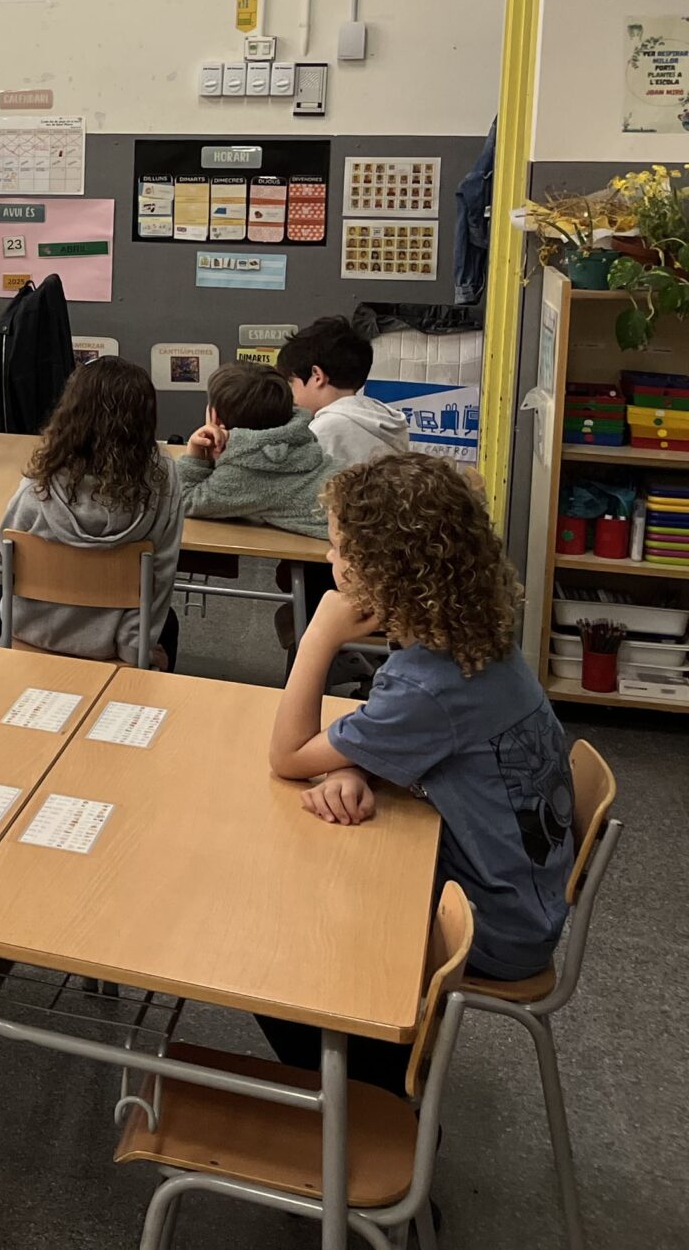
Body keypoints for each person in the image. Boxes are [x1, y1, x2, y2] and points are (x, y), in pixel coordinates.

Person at [263, 452, 576, 1089]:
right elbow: (419, 742)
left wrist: (320, 635)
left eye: (337, 549)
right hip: (523, 900)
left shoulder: (428, 686)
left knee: (272, 949)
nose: (330, 562)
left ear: (383, 573)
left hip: (493, 929)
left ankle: (374, 1096)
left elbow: (288, 755)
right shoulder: (475, 642)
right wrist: (359, 766)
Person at [0, 357, 183, 665]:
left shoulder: (42, 475)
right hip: (114, 641)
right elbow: (161, 573)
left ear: (71, 410)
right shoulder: (163, 479)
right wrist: (134, 650)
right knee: (169, 622)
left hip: (31, 631)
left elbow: (8, 551)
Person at [180, 360, 332, 537]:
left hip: (351, 549)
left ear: (215, 417)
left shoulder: (243, 471)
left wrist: (194, 454)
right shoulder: (296, 439)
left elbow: (184, 500)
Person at [279, 316, 410, 465]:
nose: (292, 394)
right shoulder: (387, 421)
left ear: (317, 376)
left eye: (292, 382)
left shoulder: (323, 430)